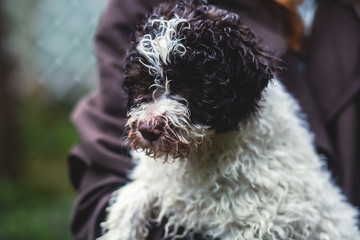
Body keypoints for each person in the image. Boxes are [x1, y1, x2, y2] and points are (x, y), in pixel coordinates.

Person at [67, 0, 360, 239]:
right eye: (147, 89)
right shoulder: (137, 8)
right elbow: (97, 199)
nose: (149, 120)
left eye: (186, 89)